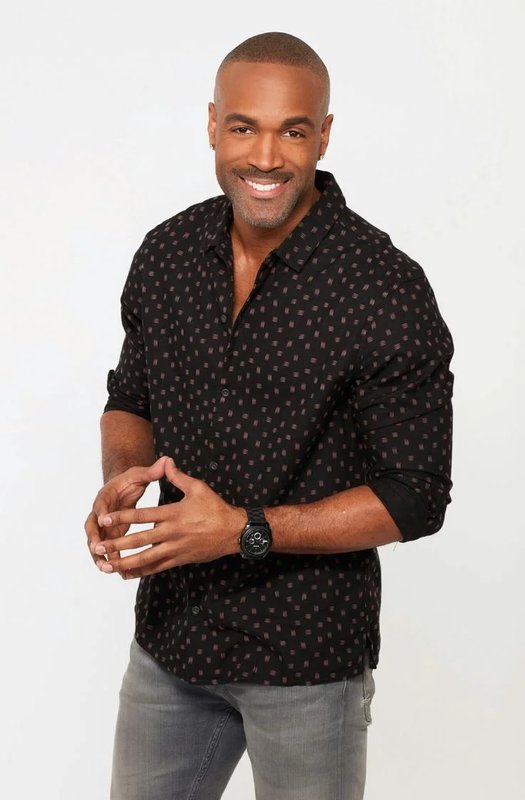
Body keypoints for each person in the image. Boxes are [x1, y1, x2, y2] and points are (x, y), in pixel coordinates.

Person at [85, 31, 454, 800]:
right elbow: (130, 398)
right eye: (243, 127)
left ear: (323, 135)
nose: (264, 156)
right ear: (212, 125)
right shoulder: (168, 253)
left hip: (305, 662)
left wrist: (243, 530)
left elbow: (415, 495)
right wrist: (123, 482)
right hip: (171, 643)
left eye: (292, 131)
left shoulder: (382, 287)